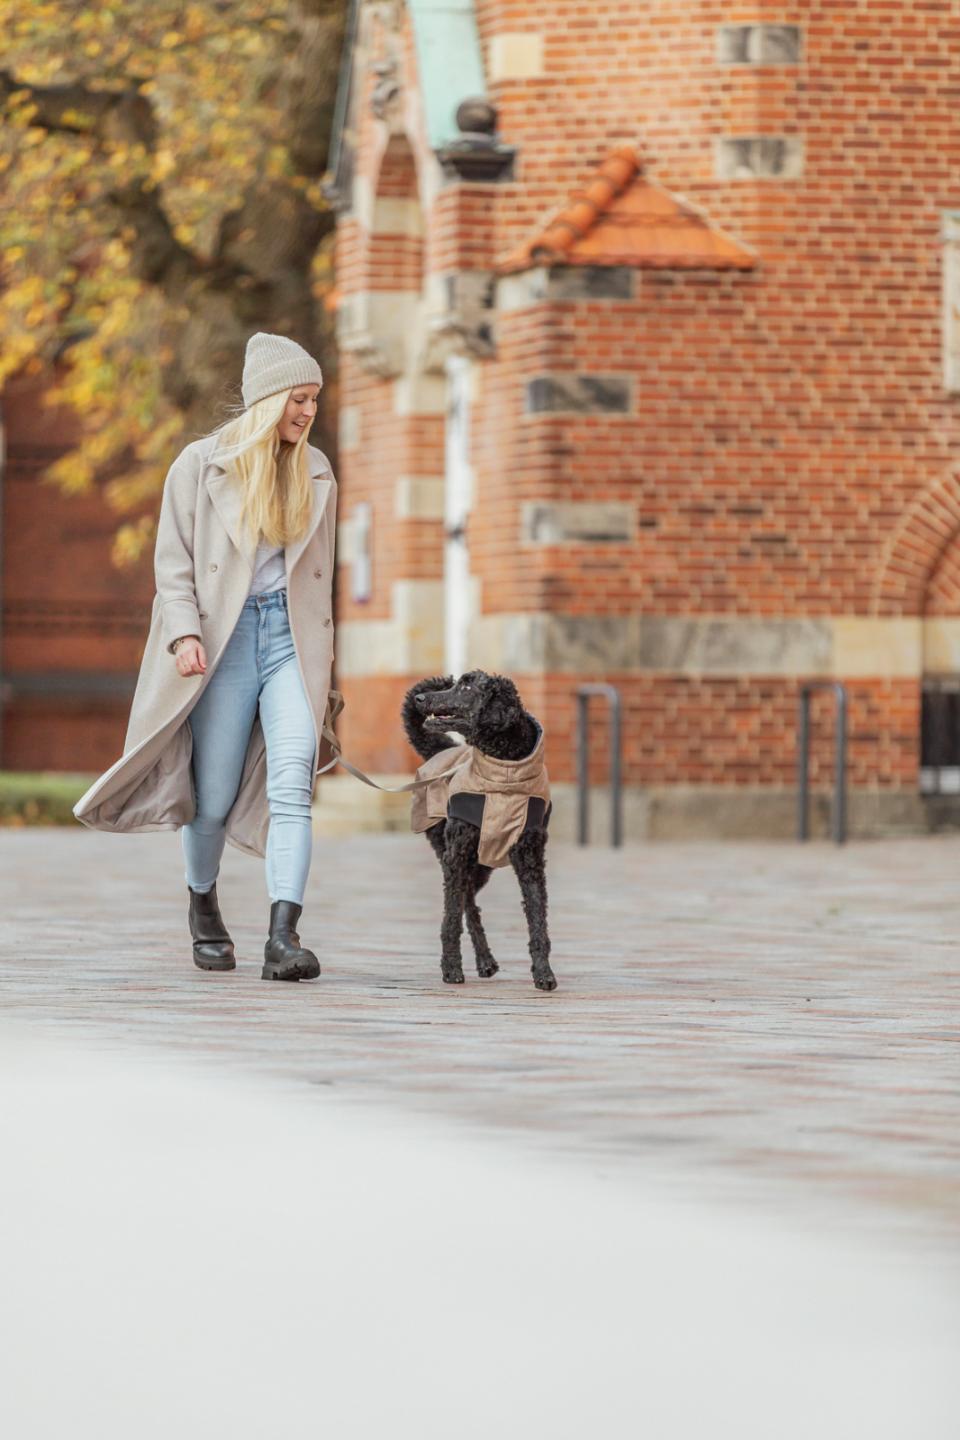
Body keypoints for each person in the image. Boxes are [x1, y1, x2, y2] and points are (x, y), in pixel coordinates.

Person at [73, 332, 339, 983]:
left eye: (314, 400)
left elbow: (319, 582)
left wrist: (326, 660)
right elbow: (173, 566)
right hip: (224, 642)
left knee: (293, 782)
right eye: (298, 399)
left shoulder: (315, 471)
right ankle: (203, 904)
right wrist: (185, 634)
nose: (308, 411)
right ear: (268, 399)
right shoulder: (200, 465)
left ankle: (283, 936)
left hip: (292, 643)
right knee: (212, 798)